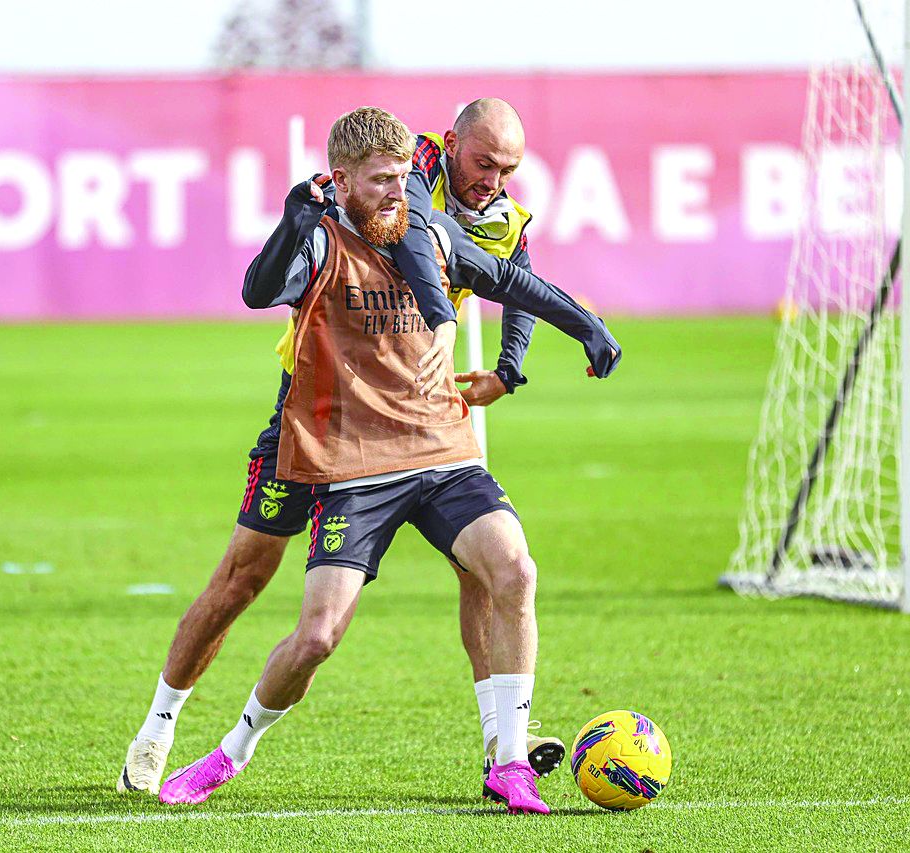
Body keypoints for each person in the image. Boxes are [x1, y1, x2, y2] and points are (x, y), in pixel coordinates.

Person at [156, 106, 620, 815]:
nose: (395, 194)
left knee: (512, 568)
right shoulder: (320, 244)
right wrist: (291, 220)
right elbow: (256, 289)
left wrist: (585, 327)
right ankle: (229, 752)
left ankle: (510, 758)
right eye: (379, 182)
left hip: (442, 454)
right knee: (315, 637)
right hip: (355, 462)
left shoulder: (429, 231)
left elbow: (513, 281)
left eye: (403, 179)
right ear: (340, 182)